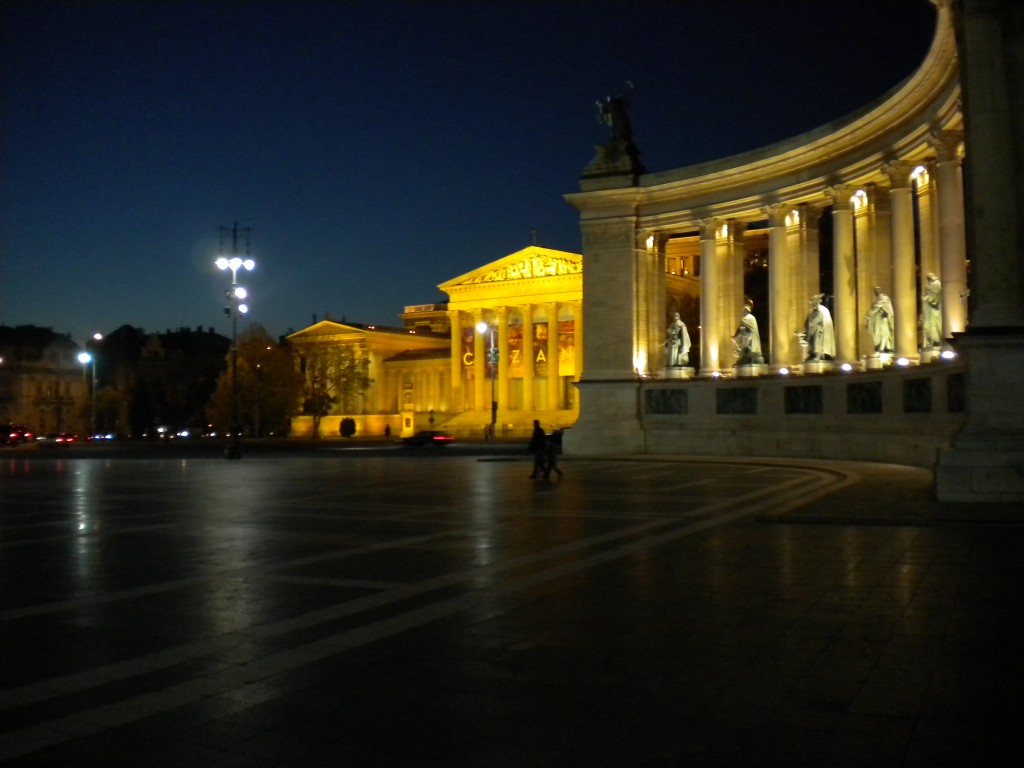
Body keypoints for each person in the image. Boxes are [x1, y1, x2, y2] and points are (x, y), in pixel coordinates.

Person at [804, 293, 836, 361]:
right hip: (812, 329)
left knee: (817, 342)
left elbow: (826, 323)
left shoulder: (823, 310)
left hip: (820, 330)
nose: (812, 304)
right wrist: (807, 329)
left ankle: (818, 355)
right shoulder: (811, 311)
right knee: (812, 343)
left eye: (814, 302)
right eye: (812, 302)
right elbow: (808, 321)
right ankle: (812, 354)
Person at [865, 286, 895, 353]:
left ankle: (884, 348)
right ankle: (885, 347)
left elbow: (876, 307)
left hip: (884, 319)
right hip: (879, 319)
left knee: (884, 333)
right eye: (875, 291)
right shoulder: (876, 299)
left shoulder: (883, 298)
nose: (875, 292)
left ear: (879, 290)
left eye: (877, 290)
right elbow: (874, 307)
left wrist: (868, 315)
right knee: (881, 333)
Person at [921, 272, 943, 349]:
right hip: (929, 310)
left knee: (933, 325)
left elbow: (934, 298)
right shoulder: (933, 285)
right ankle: (931, 341)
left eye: (928, 279)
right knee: (929, 325)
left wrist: (927, 291)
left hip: (933, 310)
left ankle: (935, 341)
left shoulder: (936, 284)